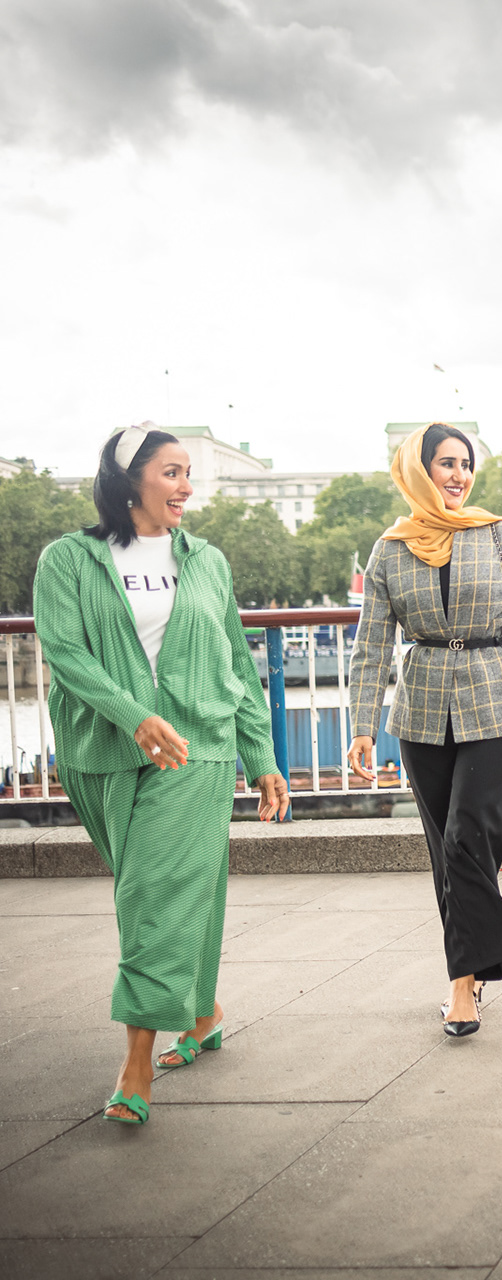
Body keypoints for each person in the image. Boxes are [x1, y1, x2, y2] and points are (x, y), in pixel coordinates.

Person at [34, 424, 291, 1126]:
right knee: (167, 887)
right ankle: (203, 1013)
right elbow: (64, 651)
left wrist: (261, 757)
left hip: (196, 745)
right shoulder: (68, 559)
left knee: (153, 895)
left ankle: (136, 1064)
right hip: (101, 754)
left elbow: (235, 663)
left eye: (187, 473)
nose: (186, 487)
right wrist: (133, 717)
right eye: (172, 473)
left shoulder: (206, 560)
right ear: (129, 480)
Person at [346, 422, 502, 1038]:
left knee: (469, 833)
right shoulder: (389, 550)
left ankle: (471, 976)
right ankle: (464, 980)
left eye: (466, 464)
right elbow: (371, 645)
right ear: (418, 470)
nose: (459, 475)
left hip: (498, 698)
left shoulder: (499, 534)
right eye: (446, 463)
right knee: (445, 850)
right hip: (421, 710)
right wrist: (362, 726)